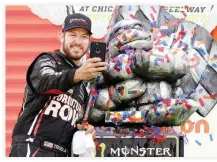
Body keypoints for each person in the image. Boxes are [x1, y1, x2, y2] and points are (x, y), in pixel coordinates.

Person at [9, 13, 108, 157]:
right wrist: (77, 75)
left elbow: (77, 120)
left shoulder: (85, 83)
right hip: (31, 147)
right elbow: (43, 81)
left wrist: (85, 127)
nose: (78, 42)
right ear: (61, 36)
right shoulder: (48, 60)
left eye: (84, 37)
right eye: (73, 35)